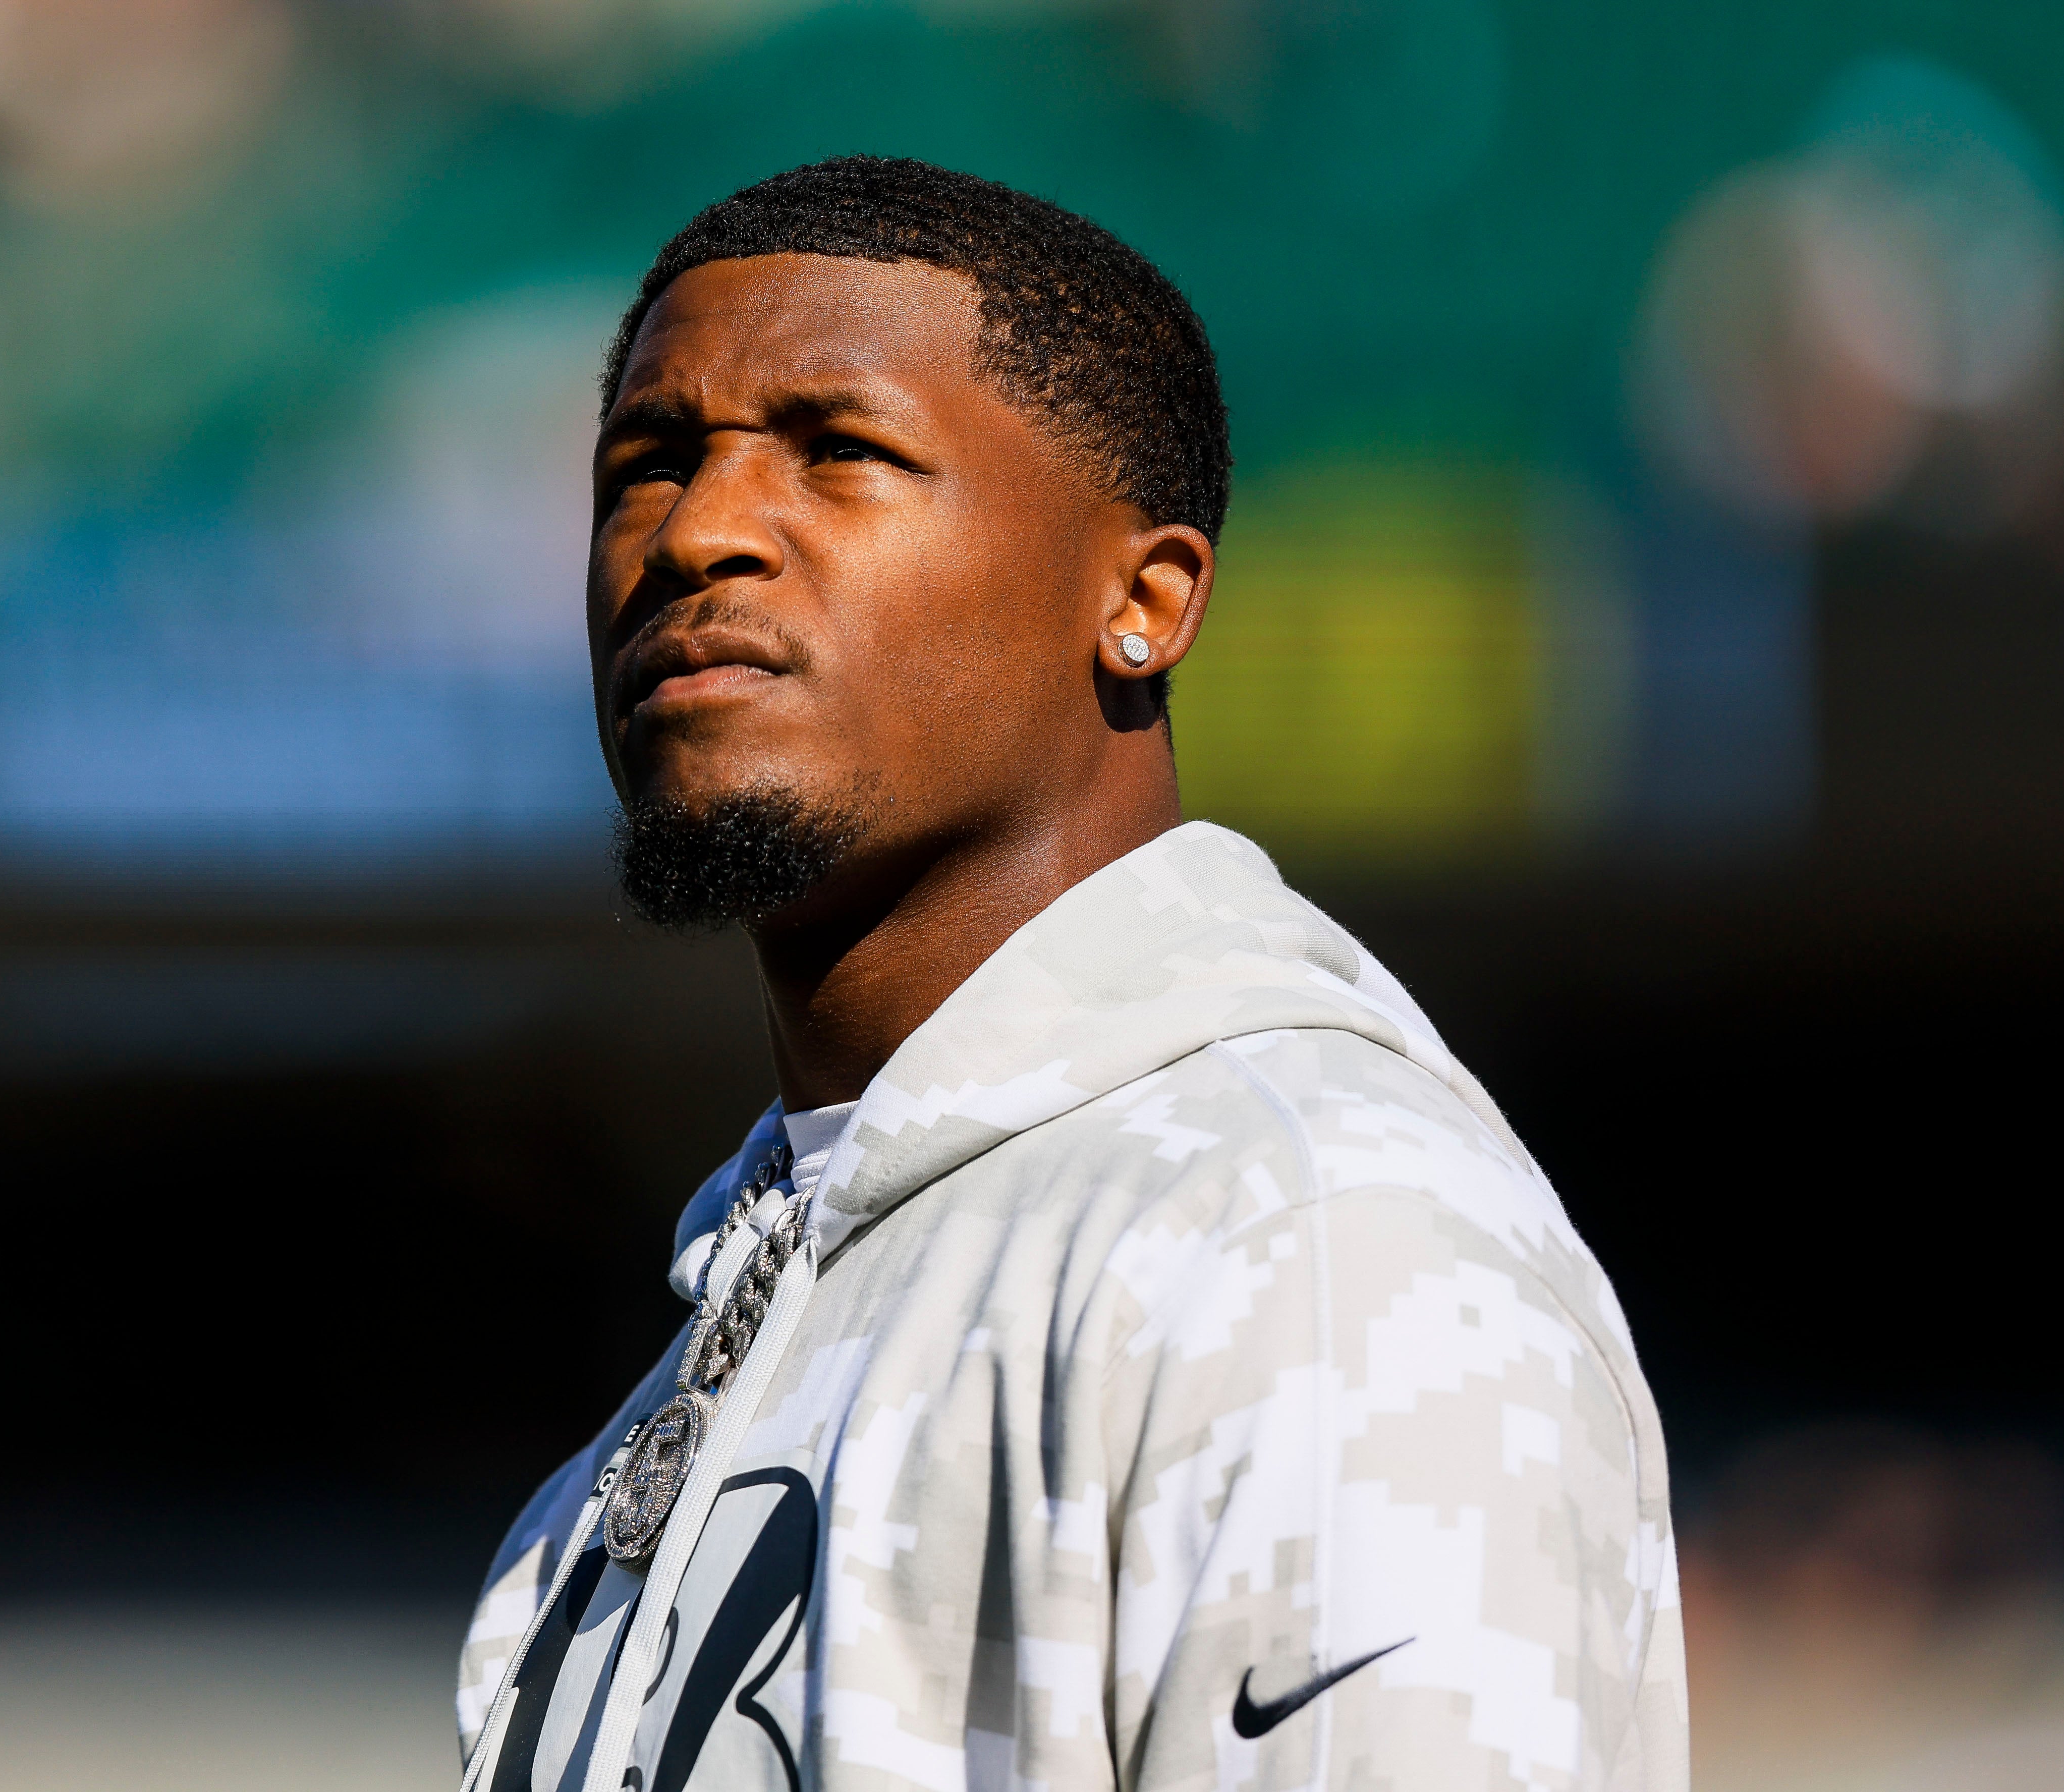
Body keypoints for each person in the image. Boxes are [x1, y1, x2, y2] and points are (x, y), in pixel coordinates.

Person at [455, 156, 1685, 1792]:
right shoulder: (707, 1357)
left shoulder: (1308, 1241)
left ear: (1144, 600)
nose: (702, 533)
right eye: (648, 464)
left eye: (842, 453)